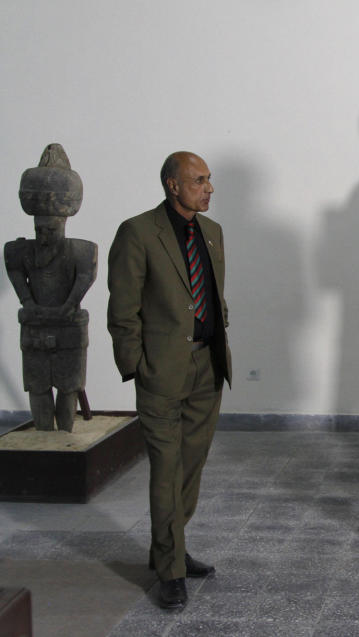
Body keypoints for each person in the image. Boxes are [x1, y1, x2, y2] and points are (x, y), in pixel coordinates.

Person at [107, 151, 231, 609]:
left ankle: (170, 549)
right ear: (172, 185)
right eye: (199, 180)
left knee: (190, 469)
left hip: (207, 368)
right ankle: (170, 570)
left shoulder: (213, 234)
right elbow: (122, 309)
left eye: (209, 180)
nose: (209, 188)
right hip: (160, 370)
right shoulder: (138, 232)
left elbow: (215, 297)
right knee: (165, 468)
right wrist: (137, 366)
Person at [5, 144, 96, 432]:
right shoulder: (19, 251)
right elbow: (15, 271)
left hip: (66, 327)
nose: (43, 236)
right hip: (36, 327)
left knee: (68, 388)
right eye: (39, 231)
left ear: (63, 225)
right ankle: (44, 435)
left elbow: (85, 278)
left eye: (50, 230)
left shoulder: (81, 251)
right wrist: (27, 302)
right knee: (38, 386)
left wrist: (68, 307)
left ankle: (64, 434)